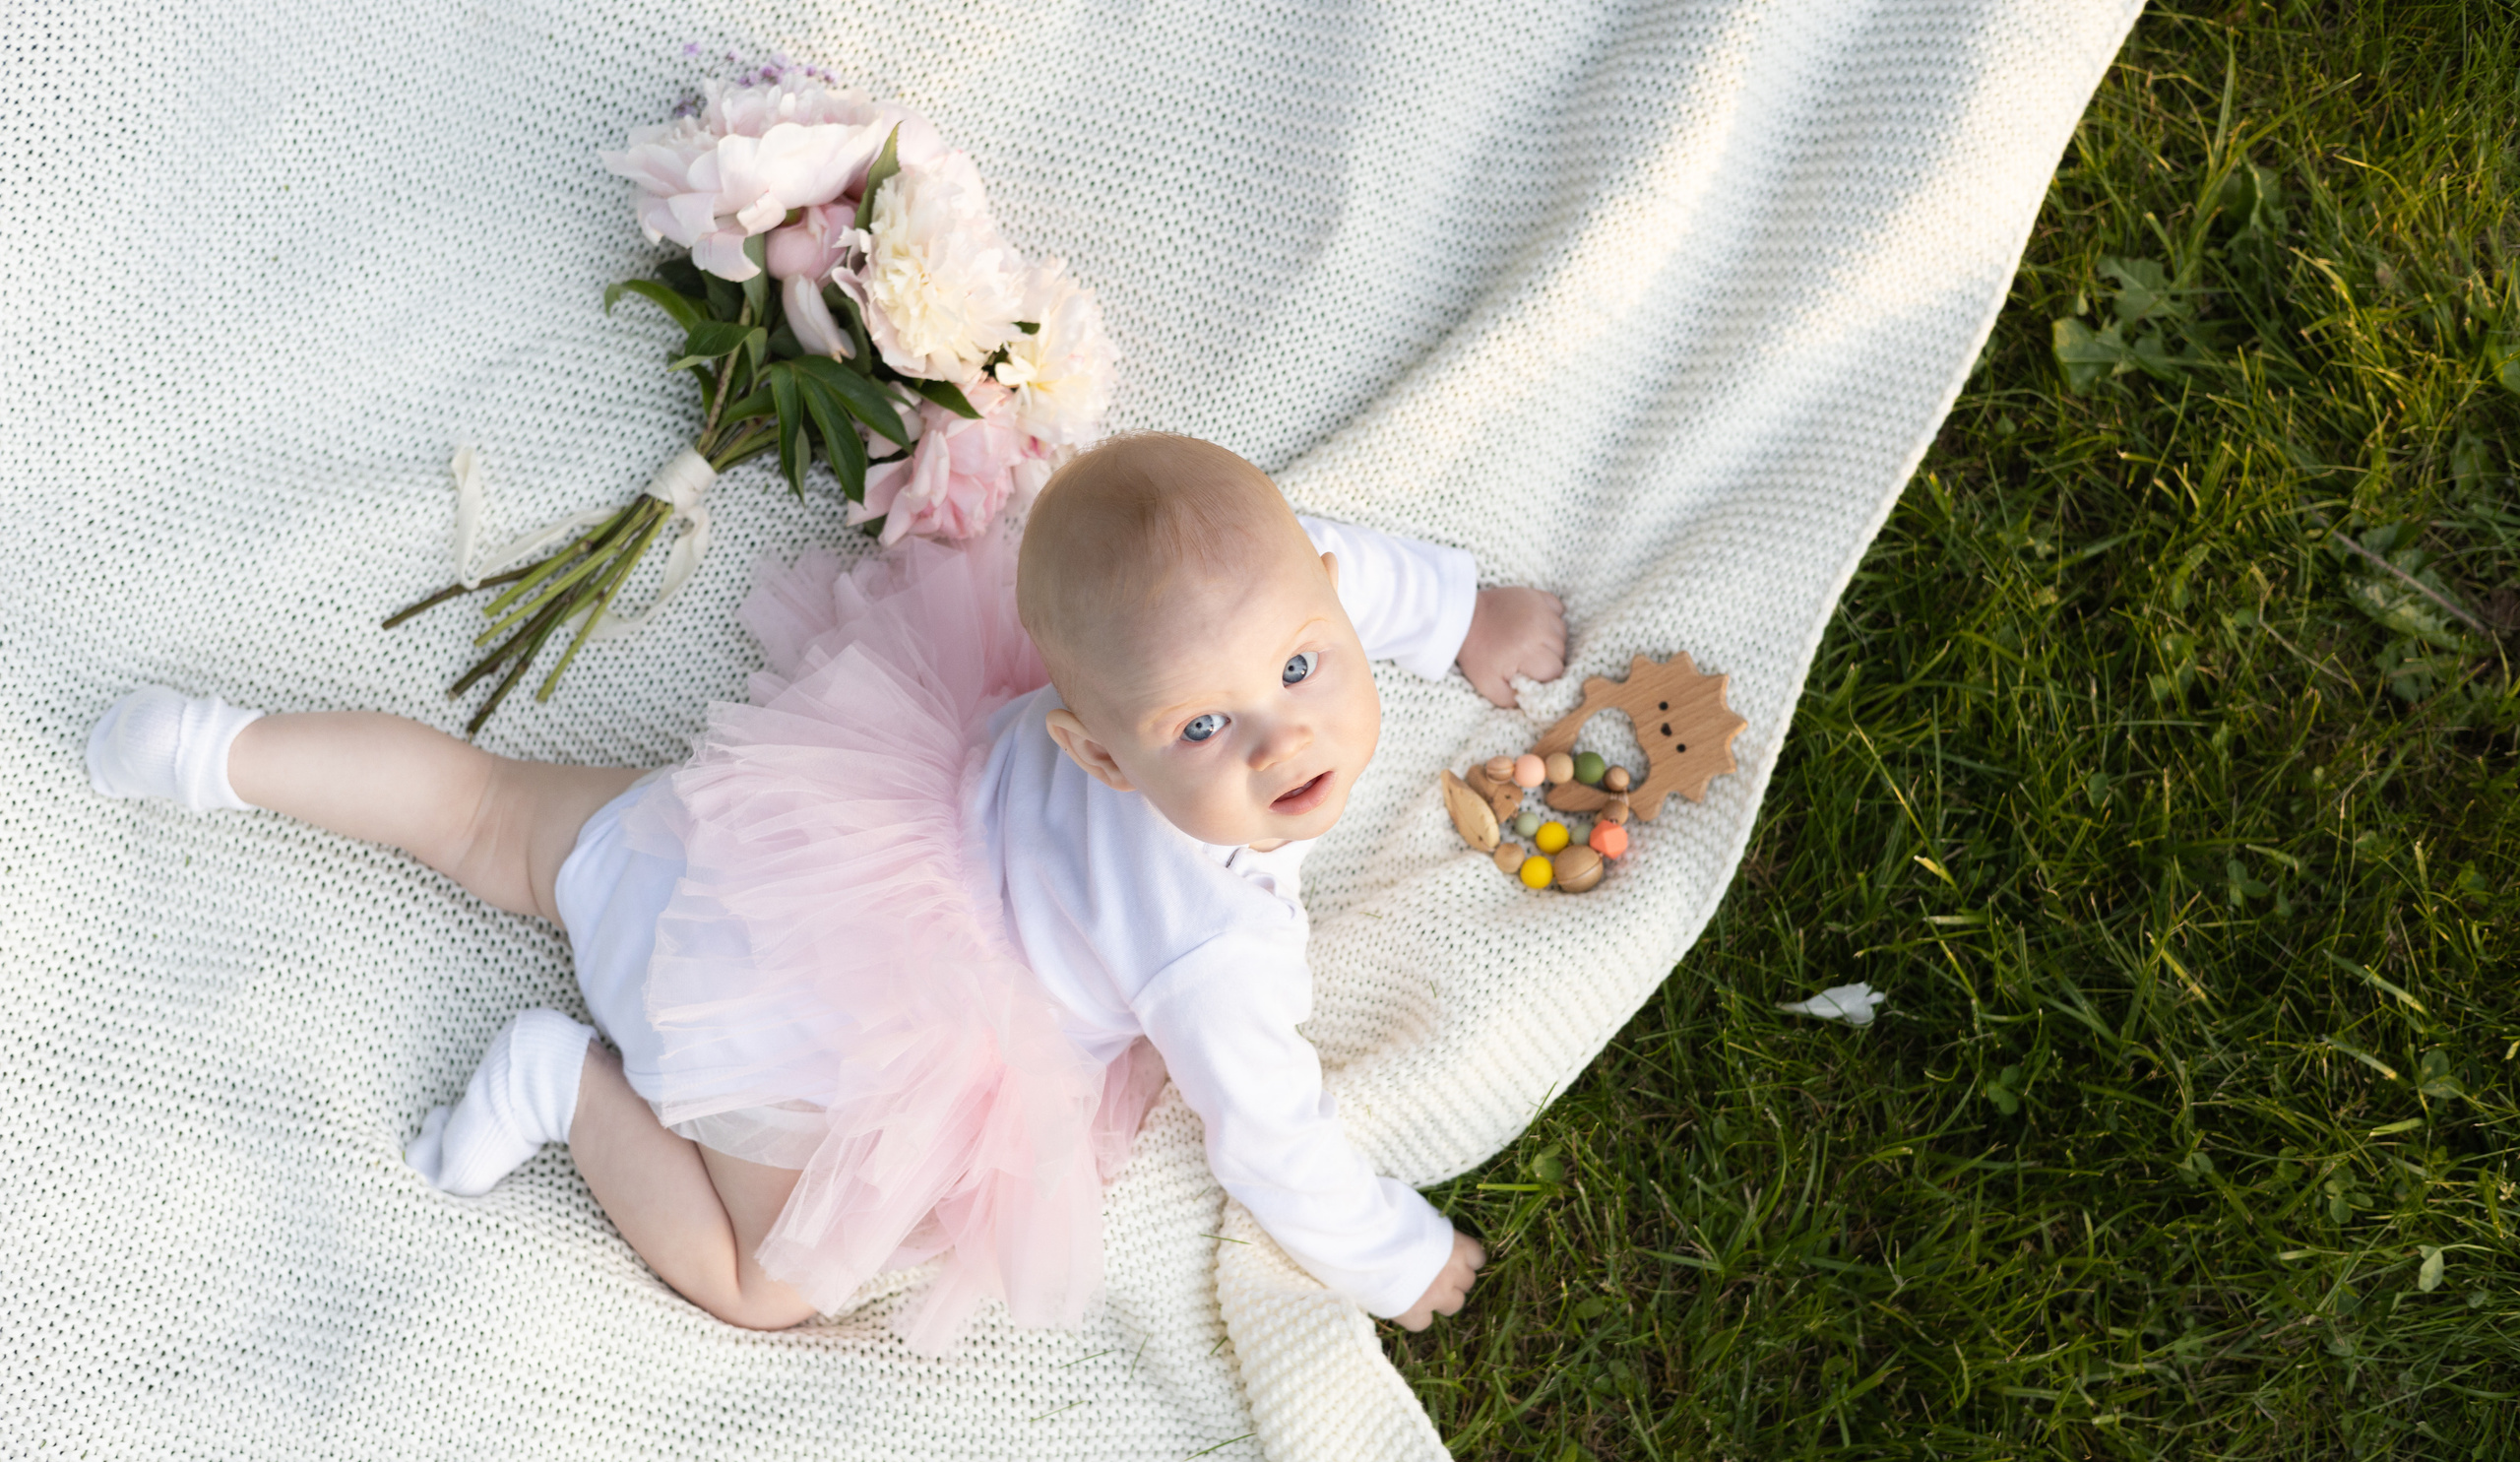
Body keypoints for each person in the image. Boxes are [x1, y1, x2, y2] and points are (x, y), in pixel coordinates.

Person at [85, 433, 1568, 1352]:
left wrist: (1462, 612)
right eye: (1204, 731)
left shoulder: (1217, 626)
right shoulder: (1213, 949)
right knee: (764, 1283)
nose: (1281, 736)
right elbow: (1273, 1141)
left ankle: (221, 752)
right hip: (800, 1057)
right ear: (1098, 756)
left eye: (1303, 671)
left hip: (760, 839)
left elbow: (1331, 580)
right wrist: (1395, 1255)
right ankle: (565, 1093)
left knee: (483, 813)